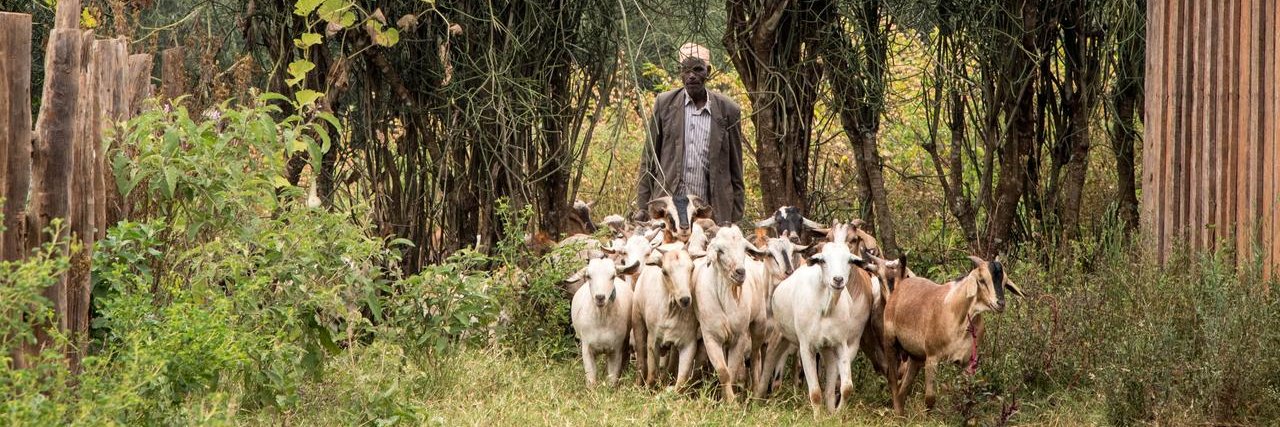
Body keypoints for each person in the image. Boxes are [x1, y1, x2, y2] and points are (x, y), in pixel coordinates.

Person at [634, 43, 746, 224]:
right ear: (680, 73)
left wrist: (735, 217)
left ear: (708, 71)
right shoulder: (664, 104)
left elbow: (736, 168)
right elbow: (649, 158)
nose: (691, 76)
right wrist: (642, 206)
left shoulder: (728, 110)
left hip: (709, 210)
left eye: (697, 69)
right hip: (669, 206)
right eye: (686, 70)